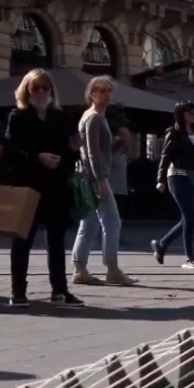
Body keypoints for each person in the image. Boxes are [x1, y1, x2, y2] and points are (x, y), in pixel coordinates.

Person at [3, 69, 84, 309]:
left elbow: (69, 156)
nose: (40, 92)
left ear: (51, 91)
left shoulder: (60, 117)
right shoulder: (17, 117)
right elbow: (9, 155)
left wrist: (71, 150)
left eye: (44, 88)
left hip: (55, 188)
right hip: (28, 187)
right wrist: (37, 158)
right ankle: (18, 291)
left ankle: (59, 291)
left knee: (56, 242)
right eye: (35, 88)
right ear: (26, 91)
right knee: (22, 240)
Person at [71, 76, 136, 287]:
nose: (106, 94)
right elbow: (91, 152)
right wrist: (100, 180)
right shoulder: (94, 118)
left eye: (109, 90)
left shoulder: (98, 117)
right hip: (95, 178)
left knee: (89, 224)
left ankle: (79, 268)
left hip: (90, 176)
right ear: (92, 94)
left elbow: (103, 151)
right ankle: (112, 268)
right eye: (101, 90)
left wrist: (120, 143)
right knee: (112, 223)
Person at [152, 102, 194, 270]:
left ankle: (162, 244)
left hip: (192, 177)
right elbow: (165, 156)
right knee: (189, 216)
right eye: (190, 112)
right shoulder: (173, 132)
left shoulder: (193, 133)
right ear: (181, 114)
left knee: (191, 217)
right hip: (177, 176)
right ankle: (189, 258)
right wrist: (160, 179)